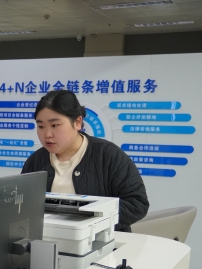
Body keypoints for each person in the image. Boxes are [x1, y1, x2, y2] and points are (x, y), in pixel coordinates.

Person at [21, 90, 149, 231]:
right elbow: (22, 204)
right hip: (48, 239)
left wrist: (90, 220)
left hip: (101, 240)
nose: (47, 134)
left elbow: (137, 204)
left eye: (55, 125)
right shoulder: (35, 161)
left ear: (77, 122)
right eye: (41, 126)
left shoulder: (108, 155)